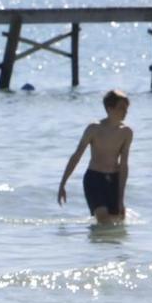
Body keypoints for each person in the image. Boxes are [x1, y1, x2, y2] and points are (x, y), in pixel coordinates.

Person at [56, 89, 132, 226]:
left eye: (126, 108)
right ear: (109, 108)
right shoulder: (94, 129)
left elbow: (124, 165)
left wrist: (121, 198)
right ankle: (95, 245)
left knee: (119, 221)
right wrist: (63, 183)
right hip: (94, 179)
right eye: (121, 108)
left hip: (114, 179)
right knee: (103, 219)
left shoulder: (126, 133)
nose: (125, 111)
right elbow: (77, 156)